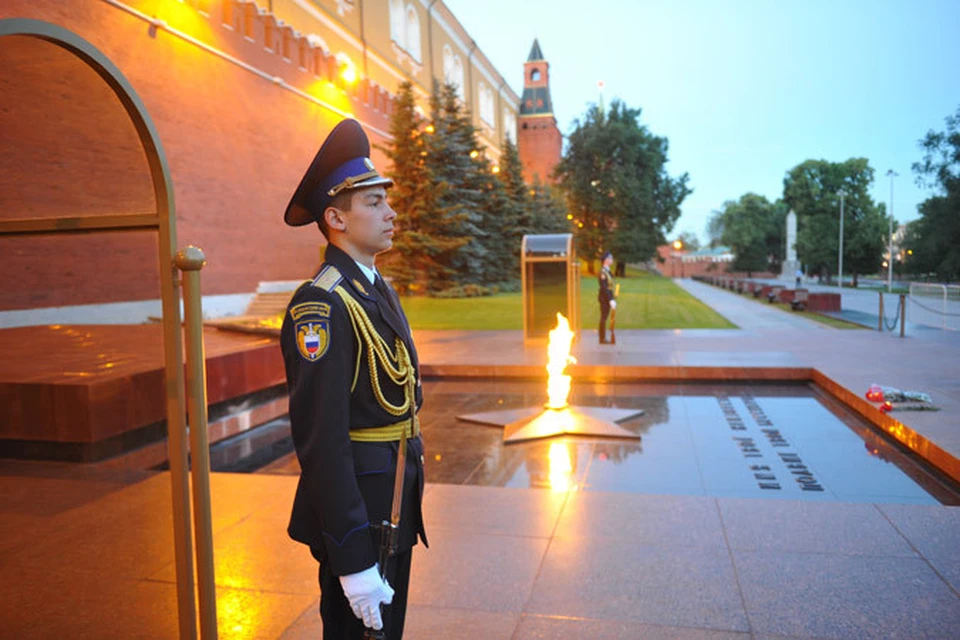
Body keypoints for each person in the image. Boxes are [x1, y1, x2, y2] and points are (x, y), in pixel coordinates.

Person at [280, 119, 426, 639]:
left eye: (386, 200)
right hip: (360, 520)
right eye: (373, 203)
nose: (390, 212)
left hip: (393, 501)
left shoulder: (375, 286)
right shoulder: (321, 303)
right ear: (335, 217)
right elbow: (322, 442)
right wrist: (353, 558)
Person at [598, 250, 617, 344]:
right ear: (606, 260)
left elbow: (610, 287)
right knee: (603, 317)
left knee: (605, 317)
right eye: (610, 258)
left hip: (608, 297)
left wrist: (613, 298)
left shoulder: (607, 271)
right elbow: (604, 287)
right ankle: (602, 339)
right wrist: (610, 300)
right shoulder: (603, 272)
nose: (612, 260)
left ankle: (603, 338)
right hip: (604, 298)